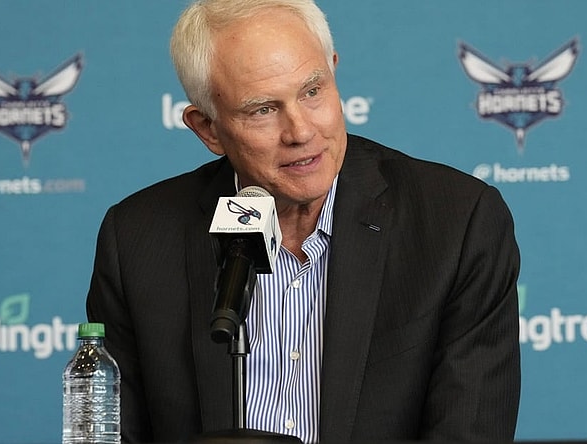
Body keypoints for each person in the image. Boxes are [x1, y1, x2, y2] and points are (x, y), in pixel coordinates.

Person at [86, 0, 521, 442]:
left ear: (333, 72)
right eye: (262, 110)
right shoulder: (137, 240)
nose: (300, 132)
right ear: (208, 129)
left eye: (313, 91)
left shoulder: (456, 224)